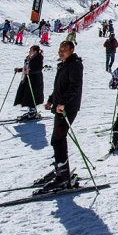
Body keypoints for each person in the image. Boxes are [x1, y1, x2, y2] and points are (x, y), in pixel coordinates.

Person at [38, 41, 84, 192]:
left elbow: (75, 86)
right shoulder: (63, 64)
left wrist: (63, 102)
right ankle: (61, 169)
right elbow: (59, 86)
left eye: (65, 49)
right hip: (60, 106)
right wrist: (52, 100)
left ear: (72, 50)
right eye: (60, 49)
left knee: (57, 139)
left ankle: (63, 175)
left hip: (67, 108)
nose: (61, 51)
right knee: (58, 139)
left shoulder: (74, 65)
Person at [13, 45, 44, 120]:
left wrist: (30, 71)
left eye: (31, 50)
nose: (29, 51)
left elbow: (39, 69)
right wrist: (19, 70)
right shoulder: (30, 58)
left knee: (32, 94)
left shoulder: (38, 58)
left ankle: (33, 111)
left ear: (35, 51)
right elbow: (26, 67)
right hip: (29, 78)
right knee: (26, 94)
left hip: (35, 80)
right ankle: (31, 110)